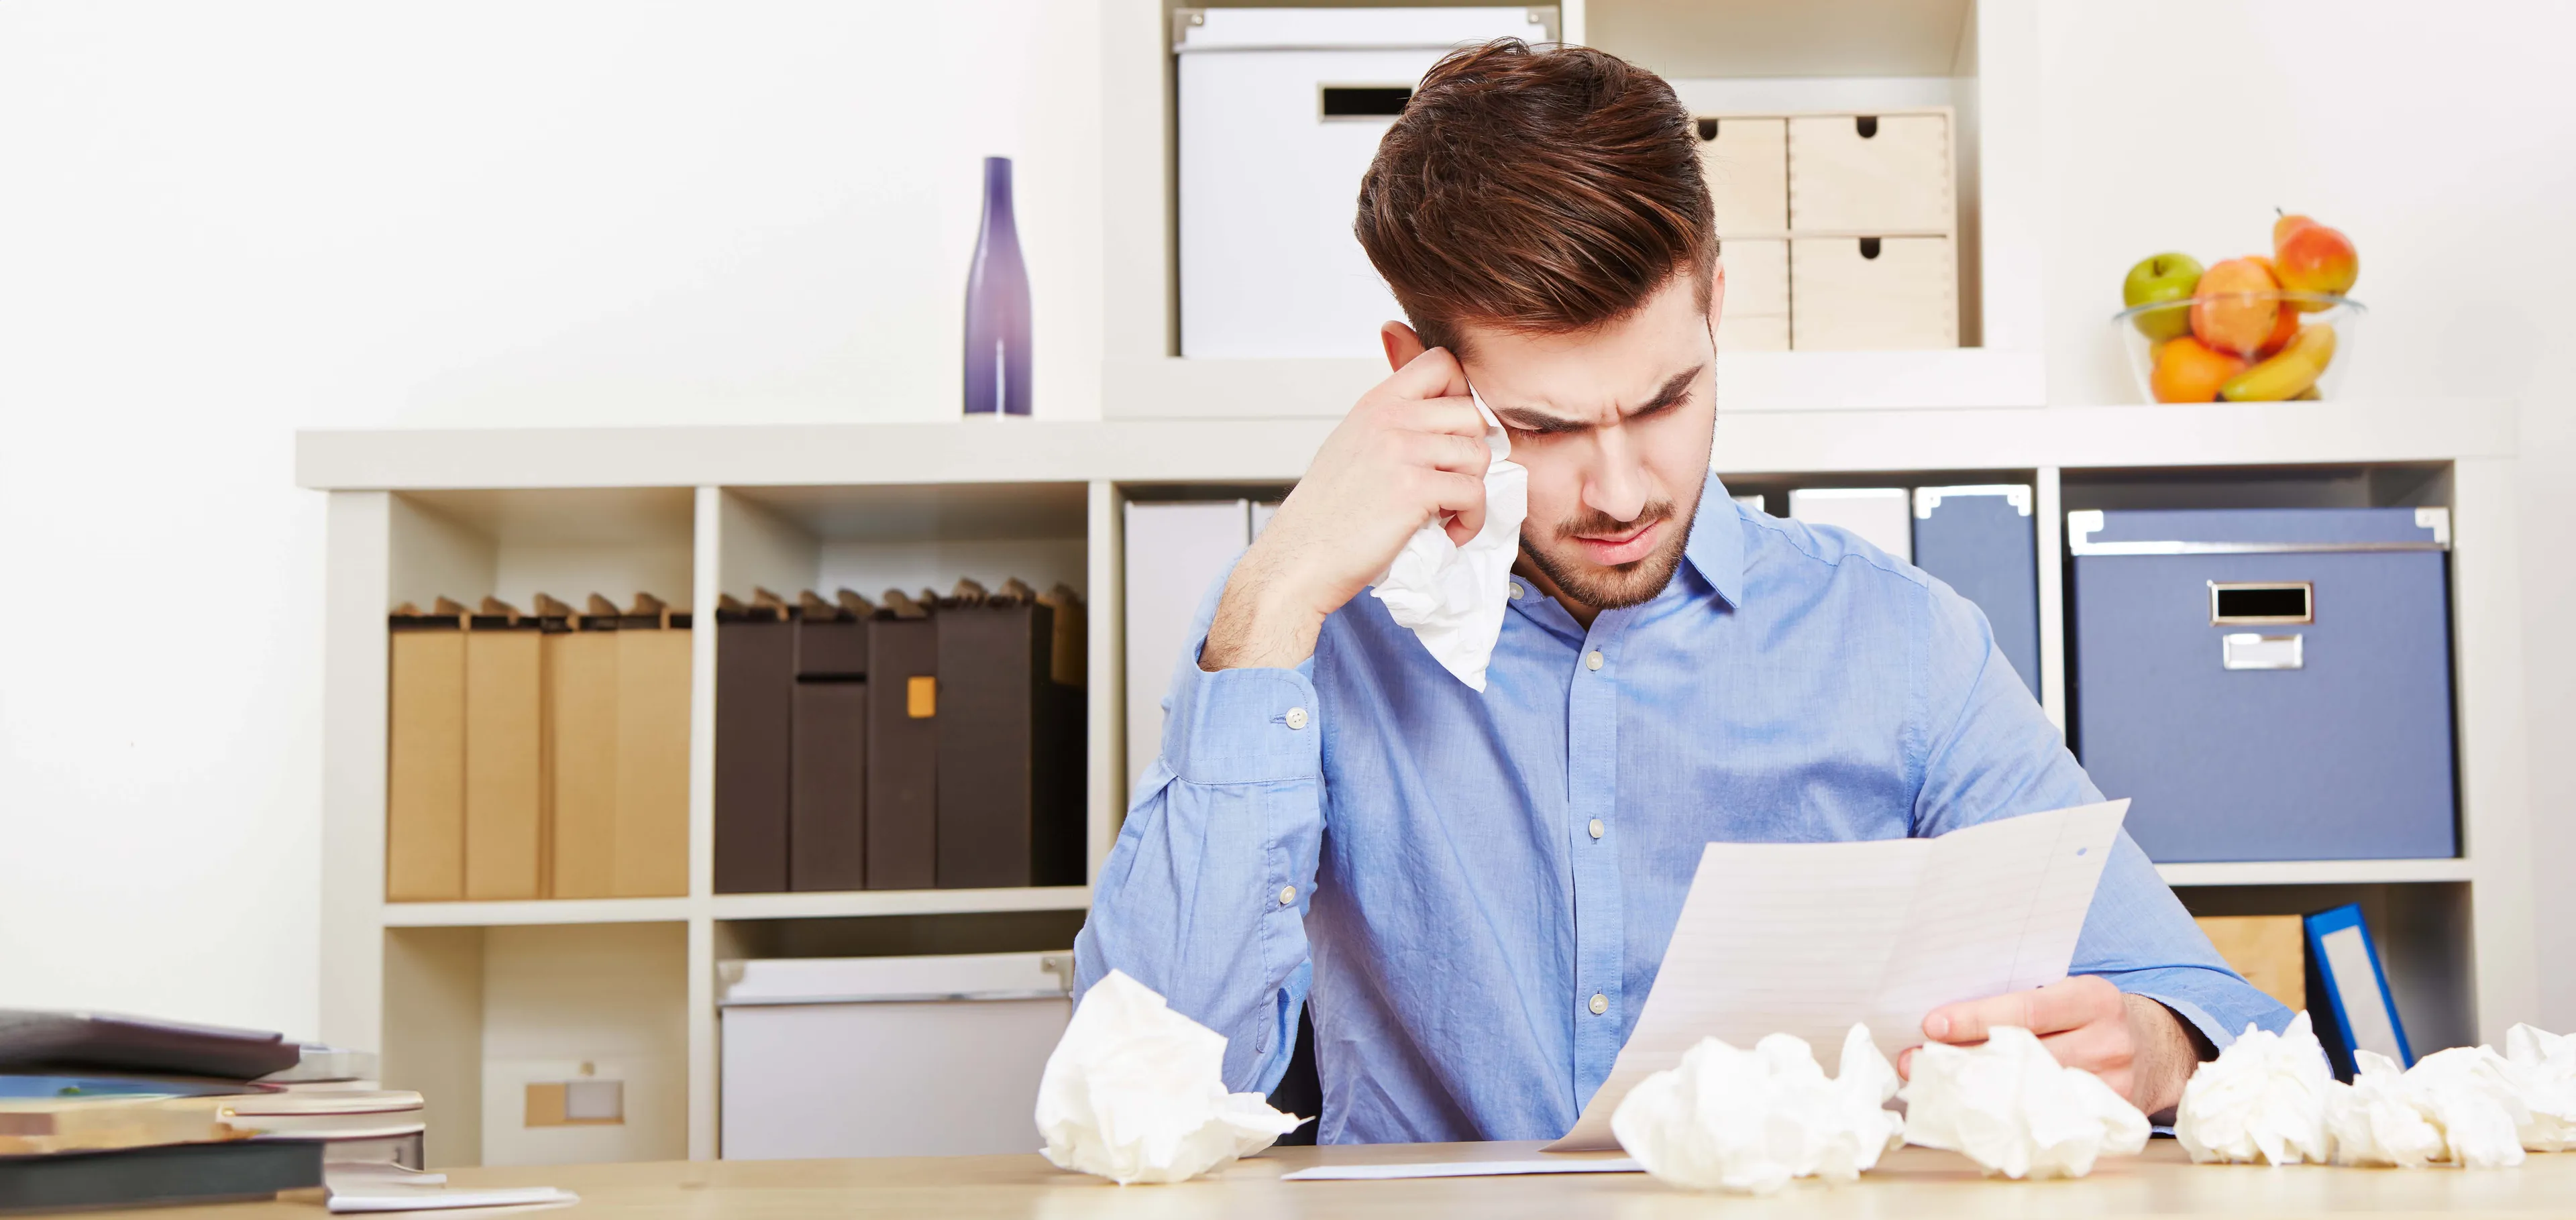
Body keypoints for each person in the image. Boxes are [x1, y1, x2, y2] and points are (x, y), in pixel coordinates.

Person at [1075, 40, 2289, 1144]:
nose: (1619, 492)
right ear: (1419, 380)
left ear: (1714, 303)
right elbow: (1141, 1104)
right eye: (1542, 425)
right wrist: (1275, 590)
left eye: (1665, 399)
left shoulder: (1903, 644)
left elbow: (2225, 1019)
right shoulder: (1299, 642)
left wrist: (2156, 1047)